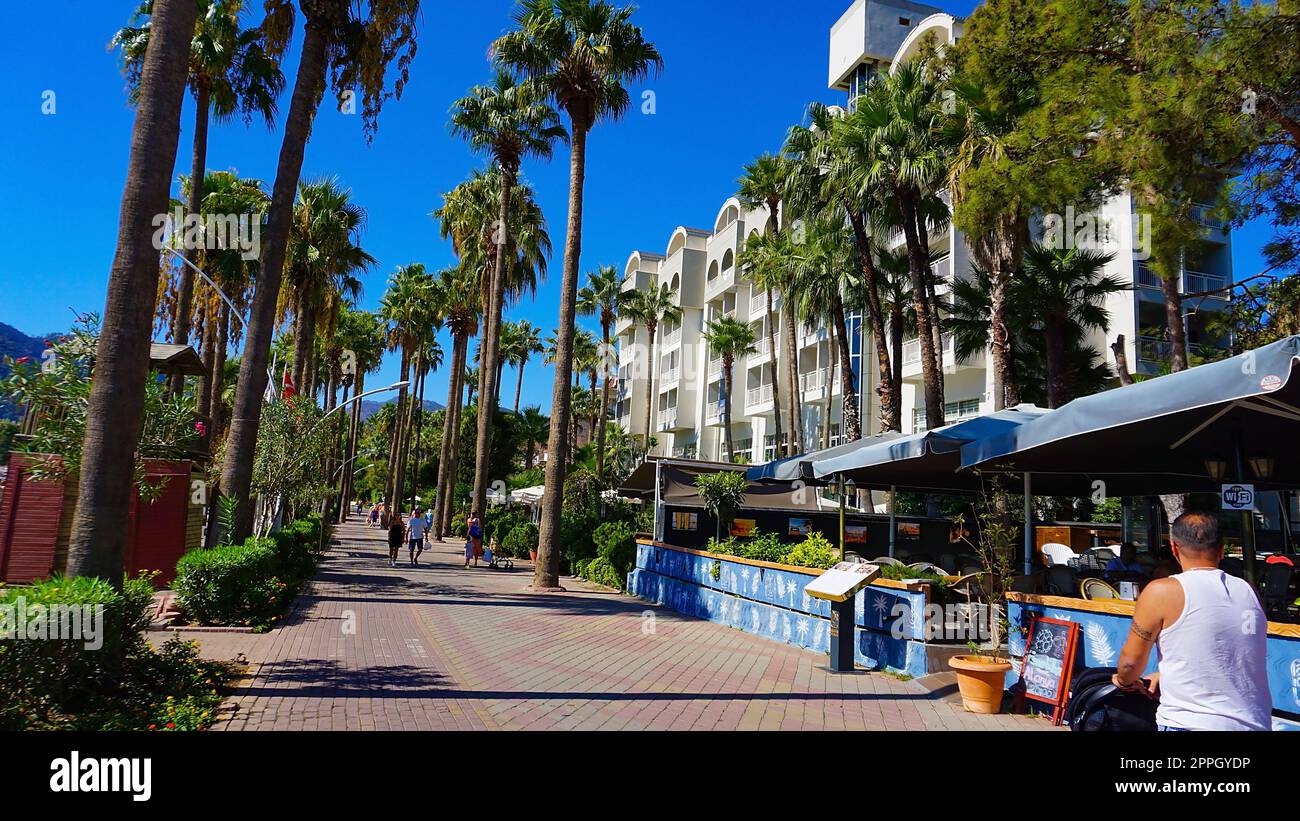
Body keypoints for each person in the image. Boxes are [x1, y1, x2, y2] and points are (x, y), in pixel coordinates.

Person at [1112, 511, 1272, 731]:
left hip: (1189, 723)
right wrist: (1166, 674)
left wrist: (1123, 681)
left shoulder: (1162, 592)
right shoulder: (1249, 591)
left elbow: (1130, 664)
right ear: (1221, 549)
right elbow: (1230, 651)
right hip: (1254, 723)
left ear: (1174, 548)